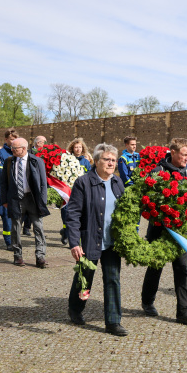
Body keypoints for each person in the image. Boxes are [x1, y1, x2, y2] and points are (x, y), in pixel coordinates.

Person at [65, 143, 127, 336]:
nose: (111, 163)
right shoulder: (84, 182)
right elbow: (73, 214)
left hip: (112, 242)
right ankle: (75, 309)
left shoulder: (117, 182)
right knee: (84, 278)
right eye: (107, 159)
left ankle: (113, 322)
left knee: (112, 279)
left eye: (113, 160)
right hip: (90, 238)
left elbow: (125, 211)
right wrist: (74, 242)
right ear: (97, 161)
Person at [141, 138, 187, 325]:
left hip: (179, 233)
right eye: (183, 154)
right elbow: (147, 201)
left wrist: (184, 219)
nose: (186, 158)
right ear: (172, 152)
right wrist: (162, 217)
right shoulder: (158, 172)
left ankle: (183, 311)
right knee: (155, 267)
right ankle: (147, 301)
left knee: (182, 270)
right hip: (159, 230)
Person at [1, 137, 50, 268]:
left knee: (38, 227)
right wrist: (4, 200)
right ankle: (18, 256)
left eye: (14, 148)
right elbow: (4, 182)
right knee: (15, 227)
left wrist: (42, 201)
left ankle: (40, 256)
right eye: (11, 148)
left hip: (33, 199)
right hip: (16, 199)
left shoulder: (37, 161)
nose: (11, 150)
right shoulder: (9, 161)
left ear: (23, 149)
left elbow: (43, 183)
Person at [0, 128, 19, 249]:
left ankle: (15, 239)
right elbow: (0, 173)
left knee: (17, 218)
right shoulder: (0, 154)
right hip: (4, 191)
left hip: (18, 192)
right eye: (11, 139)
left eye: (15, 139)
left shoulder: (19, 152)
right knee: (7, 218)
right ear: (6, 139)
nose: (13, 142)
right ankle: (9, 242)